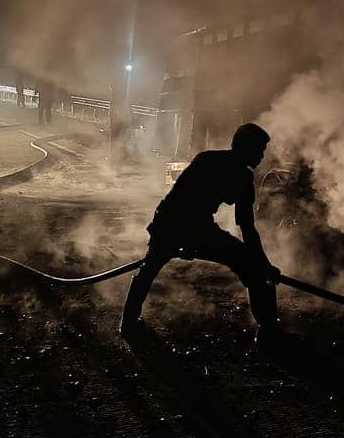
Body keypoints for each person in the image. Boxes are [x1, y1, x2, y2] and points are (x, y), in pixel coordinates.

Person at [120, 123, 281, 338]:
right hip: (175, 222)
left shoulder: (236, 175)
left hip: (188, 225)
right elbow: (181, 201)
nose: (262, 156)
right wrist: (262, 264)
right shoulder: (212, 163)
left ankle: (128, 325)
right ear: (245, 147)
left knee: (149, 269)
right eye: (259, 149)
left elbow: (247, 227)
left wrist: (263, 264)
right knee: (150, 267)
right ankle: (269, 326)